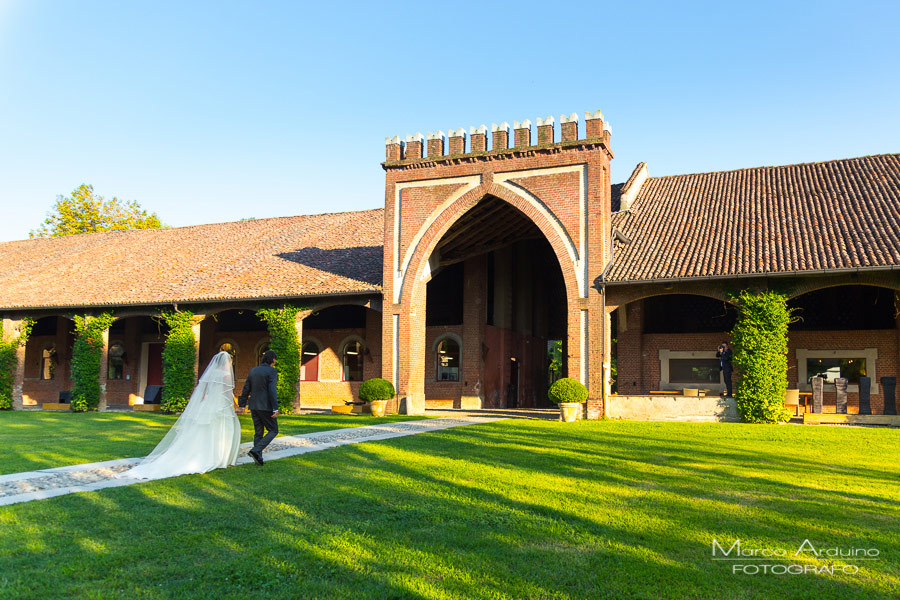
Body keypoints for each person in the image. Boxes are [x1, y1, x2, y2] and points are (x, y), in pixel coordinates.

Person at [120, 351, 241, 479]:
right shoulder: (226, 374)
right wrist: (235, 405)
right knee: (222, 429)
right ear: (227, 362)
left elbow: (203, 390)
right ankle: (219, 457)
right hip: (220, 405)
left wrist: (203, 402)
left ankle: (203, 453)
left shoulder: (210, 373)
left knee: (204, 431)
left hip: (208, 404)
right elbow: (228, 393)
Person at [238, 350, 279, 465]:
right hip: (266, 406)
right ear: (273, 359)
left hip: (254, 406)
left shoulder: (253, 371)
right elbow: (272, 390)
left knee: (258, 432)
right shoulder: (272, 371)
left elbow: (246, 388)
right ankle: (256, 451)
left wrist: (242, 404)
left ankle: (258, 459)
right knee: (273, 430)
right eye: (275, 359)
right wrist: (275, 408)